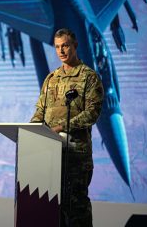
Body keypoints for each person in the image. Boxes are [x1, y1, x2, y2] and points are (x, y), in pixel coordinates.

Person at [30, 28, 104, 227]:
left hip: (75, 155)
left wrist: (63, 126)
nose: (61, 50)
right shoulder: (51, 79)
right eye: (57, 47)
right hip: (51, 155)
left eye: (65, 45)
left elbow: (92, 113)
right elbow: (40, 110)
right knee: (53, 210)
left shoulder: (89, 77)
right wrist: (31, 131)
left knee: (76, 209)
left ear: (75, 45)